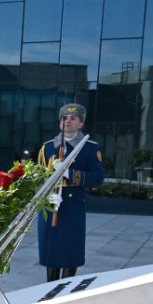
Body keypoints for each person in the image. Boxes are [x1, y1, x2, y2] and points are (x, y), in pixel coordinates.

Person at [37, 103, 105, 282]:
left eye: (73, 118)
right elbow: (38, 176)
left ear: (80, 124)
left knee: (70, 252)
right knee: (50, 252)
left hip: (73, 206)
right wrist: (46, 194)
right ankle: (49, 289)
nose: (67, 121)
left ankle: (65, 290)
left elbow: (97, 177)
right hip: (50, 205)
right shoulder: (47, 147)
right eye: (64, 118)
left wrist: (70, 174)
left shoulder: (89, 148)